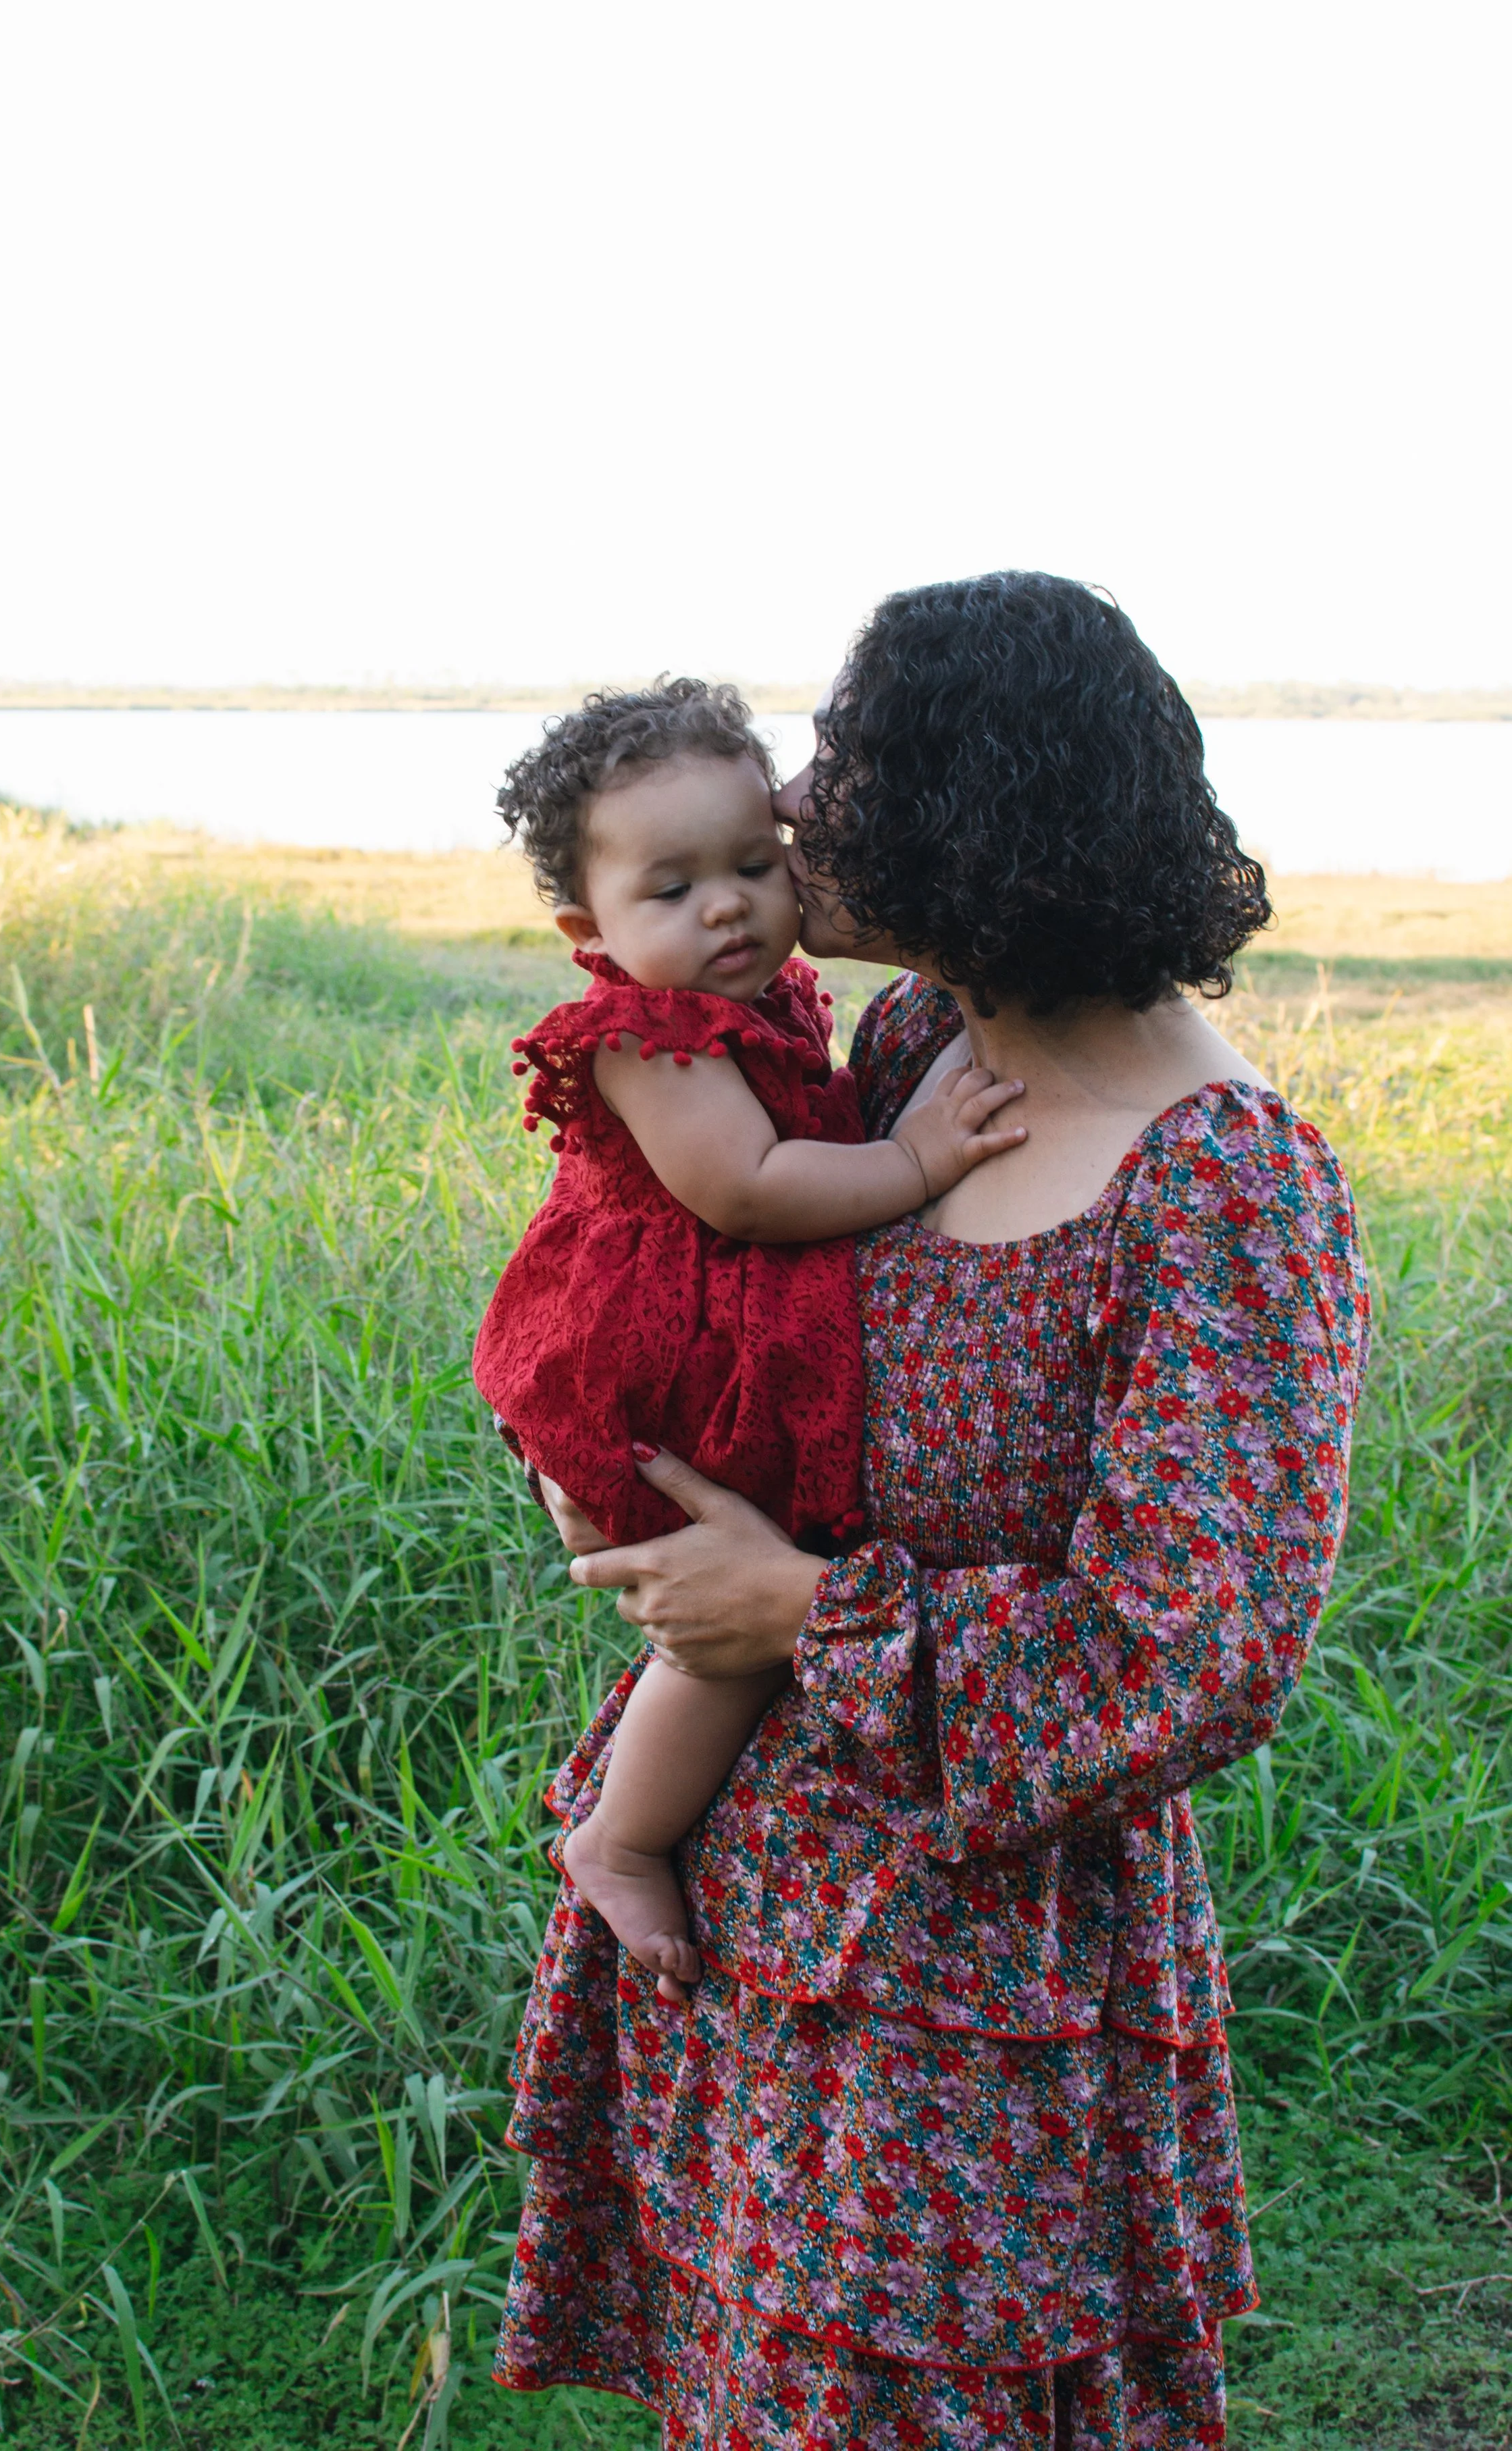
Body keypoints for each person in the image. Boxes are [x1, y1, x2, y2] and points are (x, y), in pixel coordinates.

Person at [492, 575, 1371, 2449]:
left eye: (850, 759)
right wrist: (596, 1436)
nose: (804, 808)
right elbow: (704, 1278)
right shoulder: (902, 1049)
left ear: (981, 805)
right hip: (749, 1899)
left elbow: (1186, 1663)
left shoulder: (1222, 1187)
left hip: (979, 1977)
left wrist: (798, 1610)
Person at [475, 681, 1026, 1999]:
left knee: (747, 1610)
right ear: (584, 928)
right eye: (669, 889)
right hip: (649, 1380)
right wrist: (910, 1156)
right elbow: (749, 1188)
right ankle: (618, 1837)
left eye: (748, 865)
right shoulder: (643, 1036)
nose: (723, 905)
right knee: (719, 1639)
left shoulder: (767, 996)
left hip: (719, 1357)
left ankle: (644, 1817)